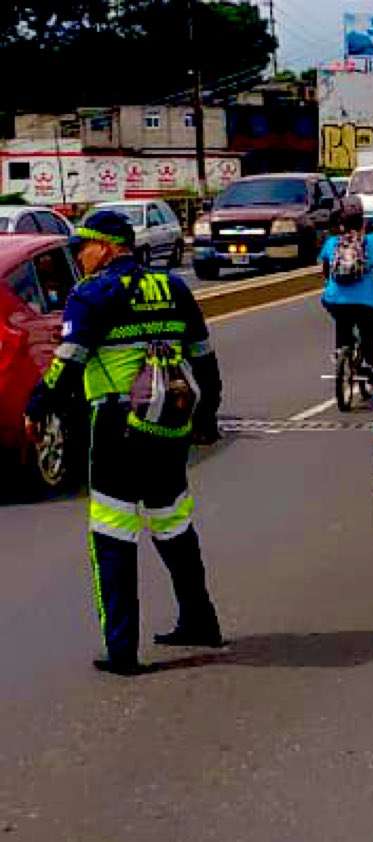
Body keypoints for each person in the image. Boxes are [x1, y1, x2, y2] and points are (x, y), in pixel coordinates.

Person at [24, 210, 223, 676]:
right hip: (170, 424)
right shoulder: (174, 287)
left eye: (84, 247)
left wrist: (37, 407)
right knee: (173, 524)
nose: (79, 257)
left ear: (109, 247)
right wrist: (205, 417)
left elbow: (67, 365)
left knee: (112, 534)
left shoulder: (92, 294)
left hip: (117, 424)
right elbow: (205, 360)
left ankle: (122, 650)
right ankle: (200, 620)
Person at [320, 197, 373, 381]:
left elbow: (325, 269)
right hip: (365, 301)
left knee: (342, 322)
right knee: (368, 331)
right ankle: (368, 363)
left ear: (341, 223)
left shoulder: (332, 242)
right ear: (362, 221)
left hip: (335, 299)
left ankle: (341, 351)